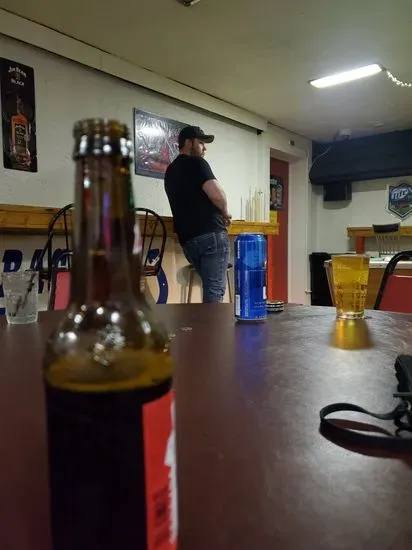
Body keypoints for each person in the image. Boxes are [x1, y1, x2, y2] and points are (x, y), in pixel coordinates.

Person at [164, 125, 231, 303]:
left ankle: (204, 321)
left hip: (188, 240)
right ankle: (211, 322)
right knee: (214, 291)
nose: (204, 148)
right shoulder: (197, 163)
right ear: (189, 143)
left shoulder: (170, 171)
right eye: (201, 143)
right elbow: (217, 195)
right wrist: (225, 213)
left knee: (210, 288)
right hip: (211, 235)